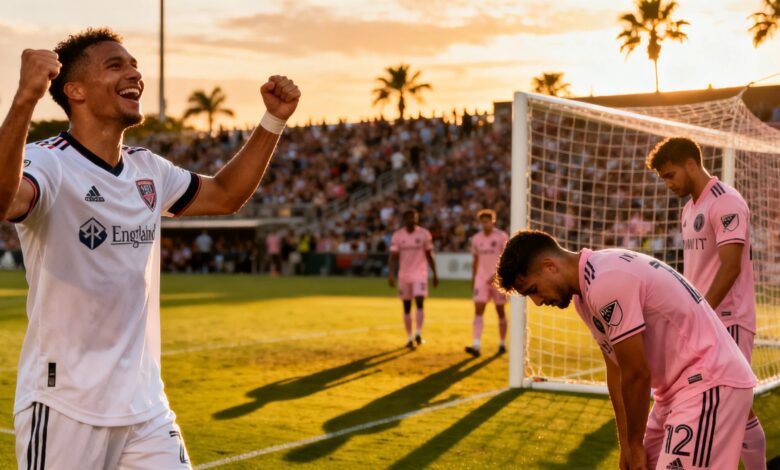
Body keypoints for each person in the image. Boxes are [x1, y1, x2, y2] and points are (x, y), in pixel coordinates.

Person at [0, 27, 300, 469]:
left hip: (145, 406)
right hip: (66, 405)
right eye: (115, 65)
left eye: (134, 65)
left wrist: (273, 120)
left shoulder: (148, 169)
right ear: (75, 90)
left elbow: (225, 195)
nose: (134, 73)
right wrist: (25, 99)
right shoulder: (49, 161)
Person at [496, 230, 756, 470]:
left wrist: (634, 444)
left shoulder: (605, 281)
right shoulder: (584, 294)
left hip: (709, 381)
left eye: (533, 290)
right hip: (676, 392)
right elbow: (617, 369)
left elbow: (636, 373)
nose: (537, 302)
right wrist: (627, 445)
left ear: (549, 266)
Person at [646, 137, 766, 469]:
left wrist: (700, 313)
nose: (668, 184)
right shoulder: (689, 209)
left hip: (729, 318)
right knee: (708, 399)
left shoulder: (726, 201)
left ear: (690, 164)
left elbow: (731, 267)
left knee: (739, 403)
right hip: (704, 319)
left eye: (670, 175)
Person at [388, 209, 438, 349]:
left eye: (414, 217)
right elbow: (393, 257)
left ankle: (418, 333)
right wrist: (391, 274)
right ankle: (409, 337)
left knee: (420, 302)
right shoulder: (398, 235)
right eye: (409, 217)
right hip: (404, 275)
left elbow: (429, 254)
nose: (411, 219)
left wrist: (435, 273)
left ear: (417, 218)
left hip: (420, 274)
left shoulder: (424, 234)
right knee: (407, 306)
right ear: (404, 219)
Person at [465, 209, 509, 357]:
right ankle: (476, 345)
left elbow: (507, 259)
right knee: (478, 310)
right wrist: (474, 279)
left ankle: (502, 343)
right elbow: (475, 260)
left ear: (493, 221)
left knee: (500, 311)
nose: (485, 224)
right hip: (481, 280)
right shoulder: (476, 239)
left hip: (498, 280)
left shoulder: (502, 237)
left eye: (487, 221)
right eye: (482, 222)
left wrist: (498, 275)